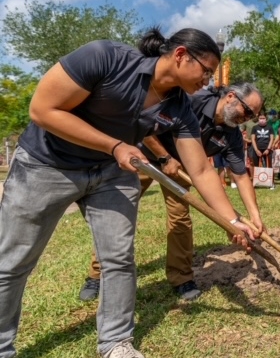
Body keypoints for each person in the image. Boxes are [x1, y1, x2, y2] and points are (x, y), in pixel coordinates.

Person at [0, 27, 256, 358]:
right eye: (206, 71)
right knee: (13, 262)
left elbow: (202, 171)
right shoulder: (105, 58)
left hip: (111, 173)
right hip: (47, 165)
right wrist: (114, 145)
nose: (209, 81)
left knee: (119, 258)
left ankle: (116, 342)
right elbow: (43, 110)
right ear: (181, 55)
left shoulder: (180, 108)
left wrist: (233, 220)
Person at [78, 83, 266, 302]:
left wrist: (254, 215)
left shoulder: (231, 134)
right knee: (117, 217)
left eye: (253, 115)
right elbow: (143, 123)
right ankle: (97, 275)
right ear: (231, 97)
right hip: (142, 158)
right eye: (248, 111)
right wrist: (164, 157)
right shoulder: (192, 100)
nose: (249, 118)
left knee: (180, 221)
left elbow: (241, 175)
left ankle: (182, 278)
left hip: (181, 169)